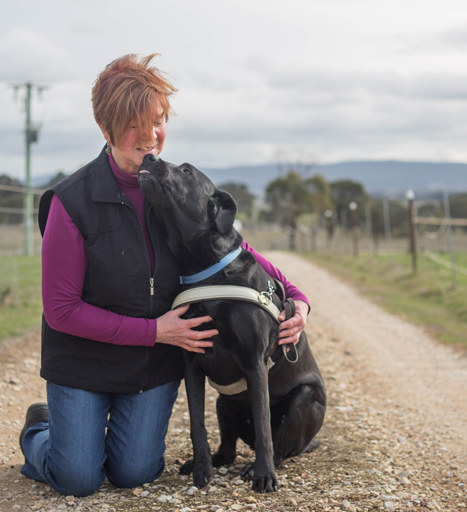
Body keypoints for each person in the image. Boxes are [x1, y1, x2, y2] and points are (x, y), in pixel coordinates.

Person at [19, 53, 310, 496]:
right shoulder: (70, 202)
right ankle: (42, 430)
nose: (151, 136)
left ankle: (90, 436)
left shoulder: (174, 197)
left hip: (151, 368)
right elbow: (60, 312)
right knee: (77, 477)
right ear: (105, 130)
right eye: (135, 125)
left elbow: (243, 256)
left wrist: (298, 300)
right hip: (84, 361)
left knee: (134, 472)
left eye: (158, 121)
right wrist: (154, 331)